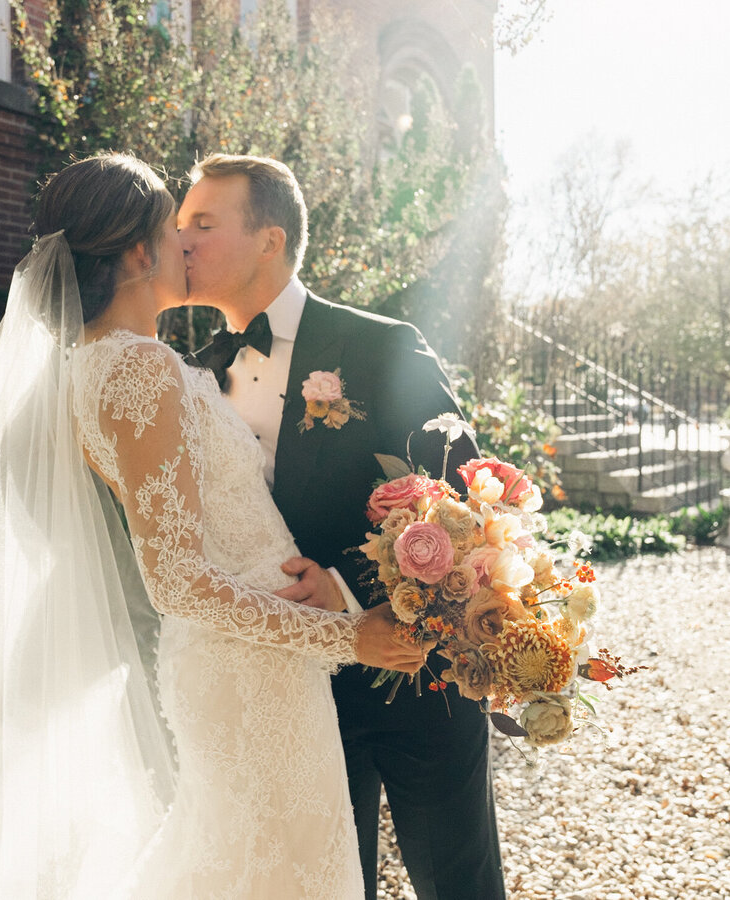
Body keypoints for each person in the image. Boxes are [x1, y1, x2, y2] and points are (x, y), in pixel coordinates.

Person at [0, 153, 425, 899]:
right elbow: (178, 584)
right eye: (171, 228)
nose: (185, 246)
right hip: (245, 671)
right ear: (133, 251)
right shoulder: (135, 371)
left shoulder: (111, 364)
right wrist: (349, 636)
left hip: (259, 661)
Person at [179, 153, 506, 900]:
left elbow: (465, 500)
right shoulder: (194, 375)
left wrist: (354, 592)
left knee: (461, 886)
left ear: (269, 240)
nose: (183, 242)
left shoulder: (379, 344)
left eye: (203, 222)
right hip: (293, 692)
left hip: (415, 675)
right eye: (179, 226)